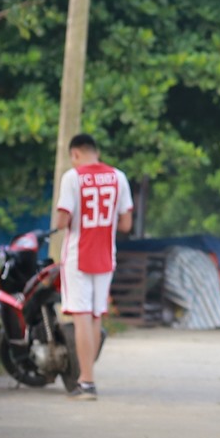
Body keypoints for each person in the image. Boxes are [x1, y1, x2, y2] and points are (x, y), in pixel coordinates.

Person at [53, 132, 134, 398]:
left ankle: (86, 381)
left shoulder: (72, 178)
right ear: (95, 151)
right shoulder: (118, 177)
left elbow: (63, 221)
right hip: (105, 256)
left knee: (81, 318)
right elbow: (125, 224)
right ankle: (89, 376)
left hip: (78, 256)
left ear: (75, 154)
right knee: (96, 316)